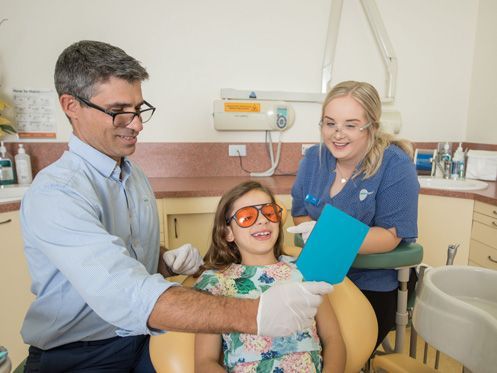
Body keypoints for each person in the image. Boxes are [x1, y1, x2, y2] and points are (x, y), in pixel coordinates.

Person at [19, 40, 333, 372]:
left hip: (144, 339)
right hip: (81, 354)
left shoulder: (134, 175)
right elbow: (123, 293)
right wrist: (255, 314)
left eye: (139, 109)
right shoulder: (57, 193)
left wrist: (162, 261)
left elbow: (115, 260)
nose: (137, 124)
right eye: (119, 111)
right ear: (71, 105)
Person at [290, 80, 419, 349]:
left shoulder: (394, 165)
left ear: (371, 126)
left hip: (371, 285)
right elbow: (300, 214)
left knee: (330, 352)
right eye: (330, 123)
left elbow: (389, 236)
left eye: (350, 125)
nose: (337, 134)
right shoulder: (314, 159)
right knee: (289, 345)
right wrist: (313, 231)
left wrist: (327, 236)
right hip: (317, 275)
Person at [194, 181, 346, 372]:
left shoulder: (305, 270)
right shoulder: (216, 284)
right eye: (247, 217)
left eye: (269, 212)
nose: (262, 220)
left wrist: (326, 241)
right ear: (227, 232)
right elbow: (204, 362)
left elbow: (333, 339)